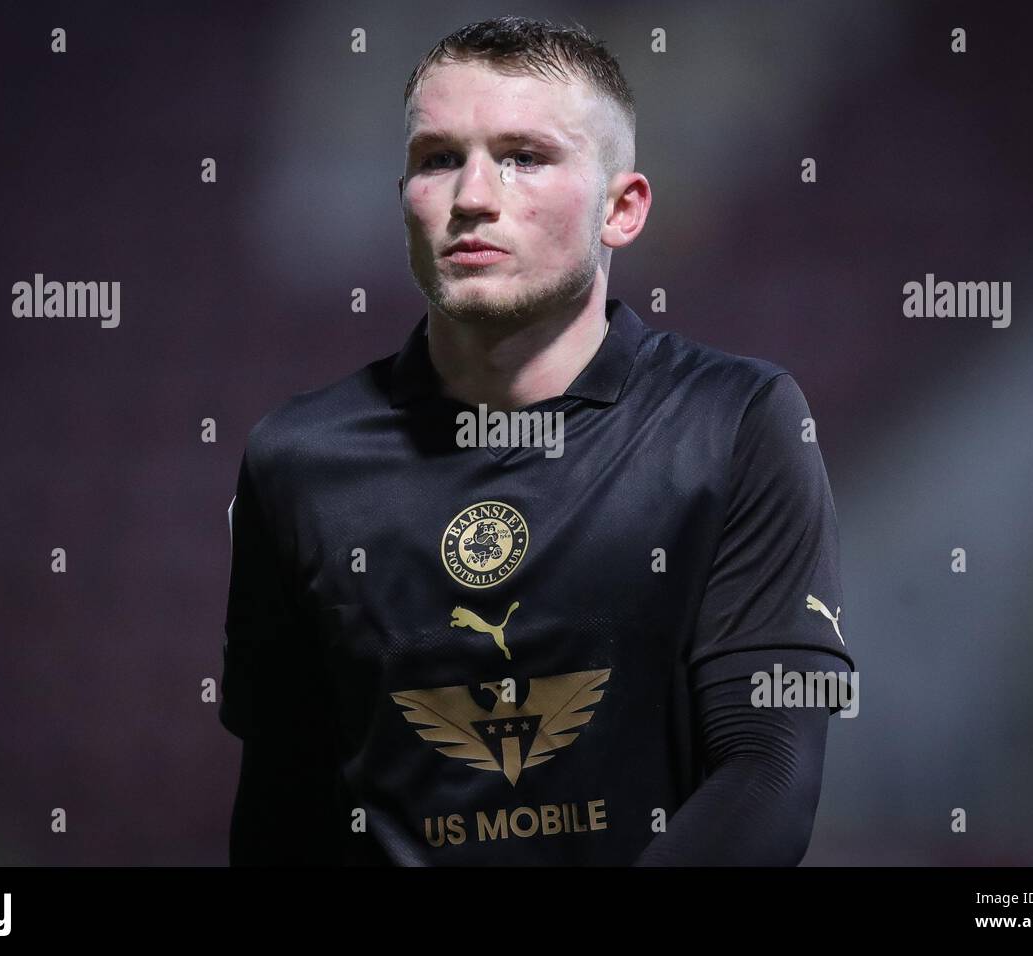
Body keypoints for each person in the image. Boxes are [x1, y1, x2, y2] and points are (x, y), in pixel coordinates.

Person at [221, 15, 855, 866]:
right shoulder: (297, 460)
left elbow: (767, 771)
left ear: (622, 208)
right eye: (439, 159)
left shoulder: (738, 423)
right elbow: (283, 809)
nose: (473, 196)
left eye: (525, 156)